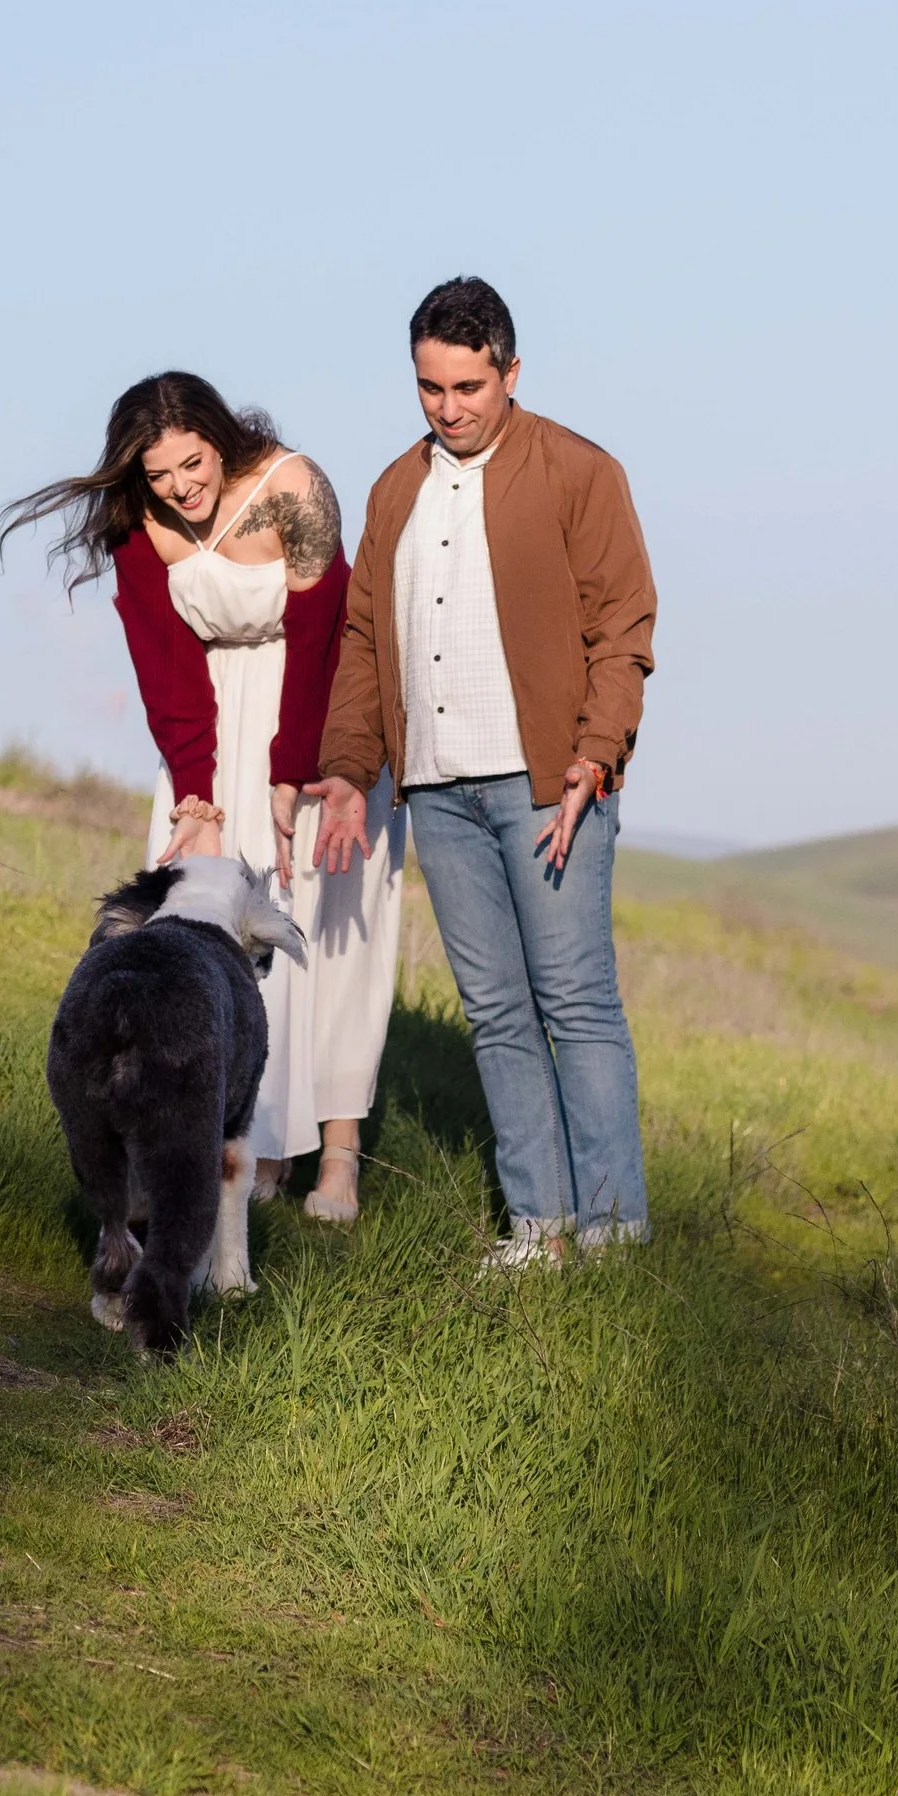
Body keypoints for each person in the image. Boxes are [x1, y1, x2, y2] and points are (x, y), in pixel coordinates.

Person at [310, 276, 656, 1266]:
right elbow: (364, 636)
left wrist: (596, 754)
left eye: (469, 385)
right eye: (430, 387)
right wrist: (347, 767)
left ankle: (613, 1235)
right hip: (438, 791)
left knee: (575, 1003)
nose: (450, 407)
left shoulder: (577, 472)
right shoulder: (391, 490)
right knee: (497, 1013)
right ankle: (540, 1228)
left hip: (550, 787)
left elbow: (623, 625)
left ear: (510, 372)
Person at [3, 372, 405, 1220]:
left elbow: (324, 633)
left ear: (220, 437)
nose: (182, 487)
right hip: (206, 735)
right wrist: (198, 797)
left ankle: (337, 1159)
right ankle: (247, 1145)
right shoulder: (139, 522)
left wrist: (293, 774)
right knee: (211, 940)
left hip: (316, 716)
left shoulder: (294, 488)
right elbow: (166, 663)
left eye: (193, 463)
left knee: (324, 928)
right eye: (161, 476)